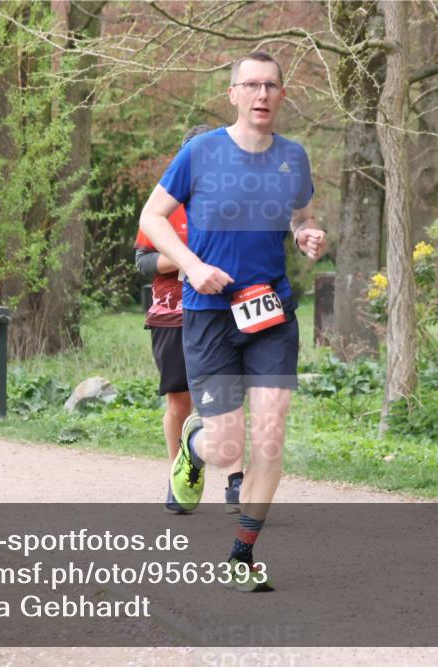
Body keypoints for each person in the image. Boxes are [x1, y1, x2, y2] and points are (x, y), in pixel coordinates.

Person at [138, 51, 327, 592]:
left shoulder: (293, 158)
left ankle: (241, 555)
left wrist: (309, 235)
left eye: (271, 86)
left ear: (282, 95)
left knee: (270, 434)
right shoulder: (201, 152)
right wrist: (193, 266)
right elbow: (151, 218)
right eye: (251, 85)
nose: (262, 94)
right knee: (226, 448)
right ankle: (197, 447)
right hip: (209, 317)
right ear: (233, 94)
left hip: (270, 312)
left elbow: (301, 217)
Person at [133, 124, 244, 515]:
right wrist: (185, 258)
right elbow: (142, 262)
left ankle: (236, 482)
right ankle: (181, 476)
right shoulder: (164, 207)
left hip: (222, 313)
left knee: (225, 398)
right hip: (173, 315)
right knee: (180, 400)